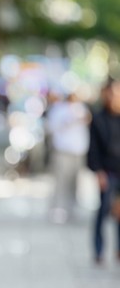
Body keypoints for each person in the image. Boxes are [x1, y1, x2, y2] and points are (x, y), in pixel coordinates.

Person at [87, 79, 120, 264]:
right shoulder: (98, 118)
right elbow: (93, 149)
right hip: (107, 171)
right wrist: (98, 171)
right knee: (104, 210)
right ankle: (99, 250)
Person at [45, 91, 90, 224]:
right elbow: (51, 128)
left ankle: (72, 209)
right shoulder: (58, 110)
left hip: (78, 153)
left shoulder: (81, 109)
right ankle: (57, 209)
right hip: (62, 152)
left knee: (74, 183)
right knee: (60, 182)